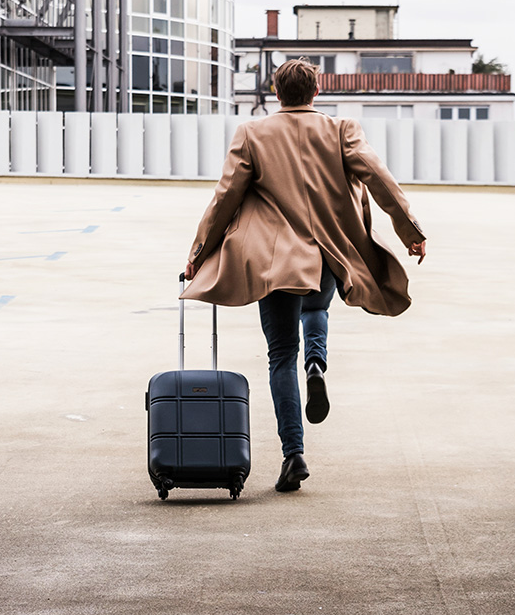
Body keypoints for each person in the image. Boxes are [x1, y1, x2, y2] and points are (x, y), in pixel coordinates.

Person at [182, 58, 427, 493]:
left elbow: (224, 200)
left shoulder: (252, 134)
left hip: (274, 261)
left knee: (280, 355)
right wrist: (409, 230)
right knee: (317, 305)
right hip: (327, 252)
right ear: (317, 92)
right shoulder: (342, 130)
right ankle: (317, 362)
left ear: (277, 93)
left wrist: (198, 254)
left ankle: (293, 454)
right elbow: (380, 179)